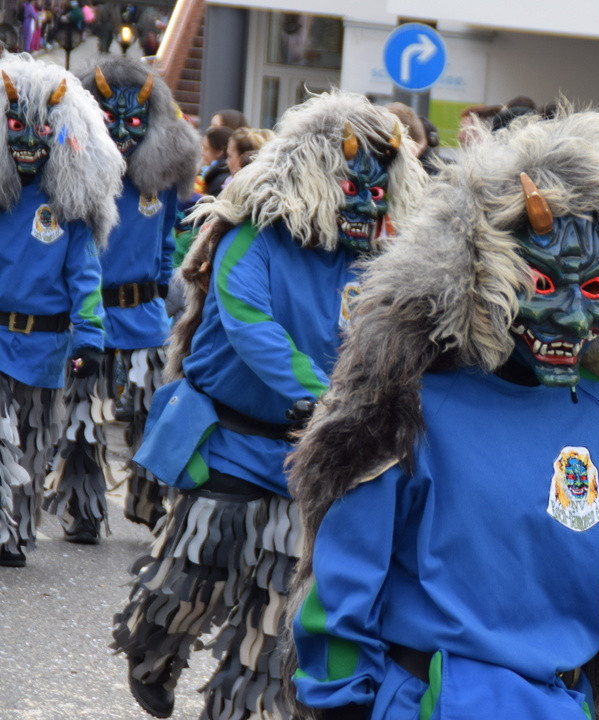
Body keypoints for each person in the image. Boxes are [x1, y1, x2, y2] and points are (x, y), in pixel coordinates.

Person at [285, 108, 599, 719]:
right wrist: (340, 704)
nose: (571, 317)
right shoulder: (411, 406)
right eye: (542, 286)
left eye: (594, 290)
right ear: (474, 276)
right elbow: (343, 583)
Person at [112, 90, 427, 720]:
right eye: (352, 185)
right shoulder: (249, 235)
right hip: (229, 438)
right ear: (313, 175)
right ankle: (154, 644)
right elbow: (252, 325)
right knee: (193, 572)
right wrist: (328, 398)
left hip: (307, 454)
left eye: (377, 188)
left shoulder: (375, 261)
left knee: (278, 604)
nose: (366, 201)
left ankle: (238, 708)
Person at [41, 57, 201, 544]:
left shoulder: (162, 175)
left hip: (144, 315)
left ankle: (148, 500)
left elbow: (168, 239)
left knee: (156, 414)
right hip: (86, 316)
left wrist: (169, 288)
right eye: (112, 118)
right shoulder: (74, 172)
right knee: (81, 421)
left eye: (136, 120)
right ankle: (84, 509)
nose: (124, 130)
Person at [0, 52, 124, 567]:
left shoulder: (70, 208)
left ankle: (15, 534)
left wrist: (91, 338)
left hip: (46, 346)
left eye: (40, 130)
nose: (28, 142)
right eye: (16, 128)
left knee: (31, 445)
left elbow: (84, 275)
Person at [194, 125, 231, 197]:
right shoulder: (212, 173)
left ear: (219, 152)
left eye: (206, 148)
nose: (202, 153)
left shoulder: (220, 181)